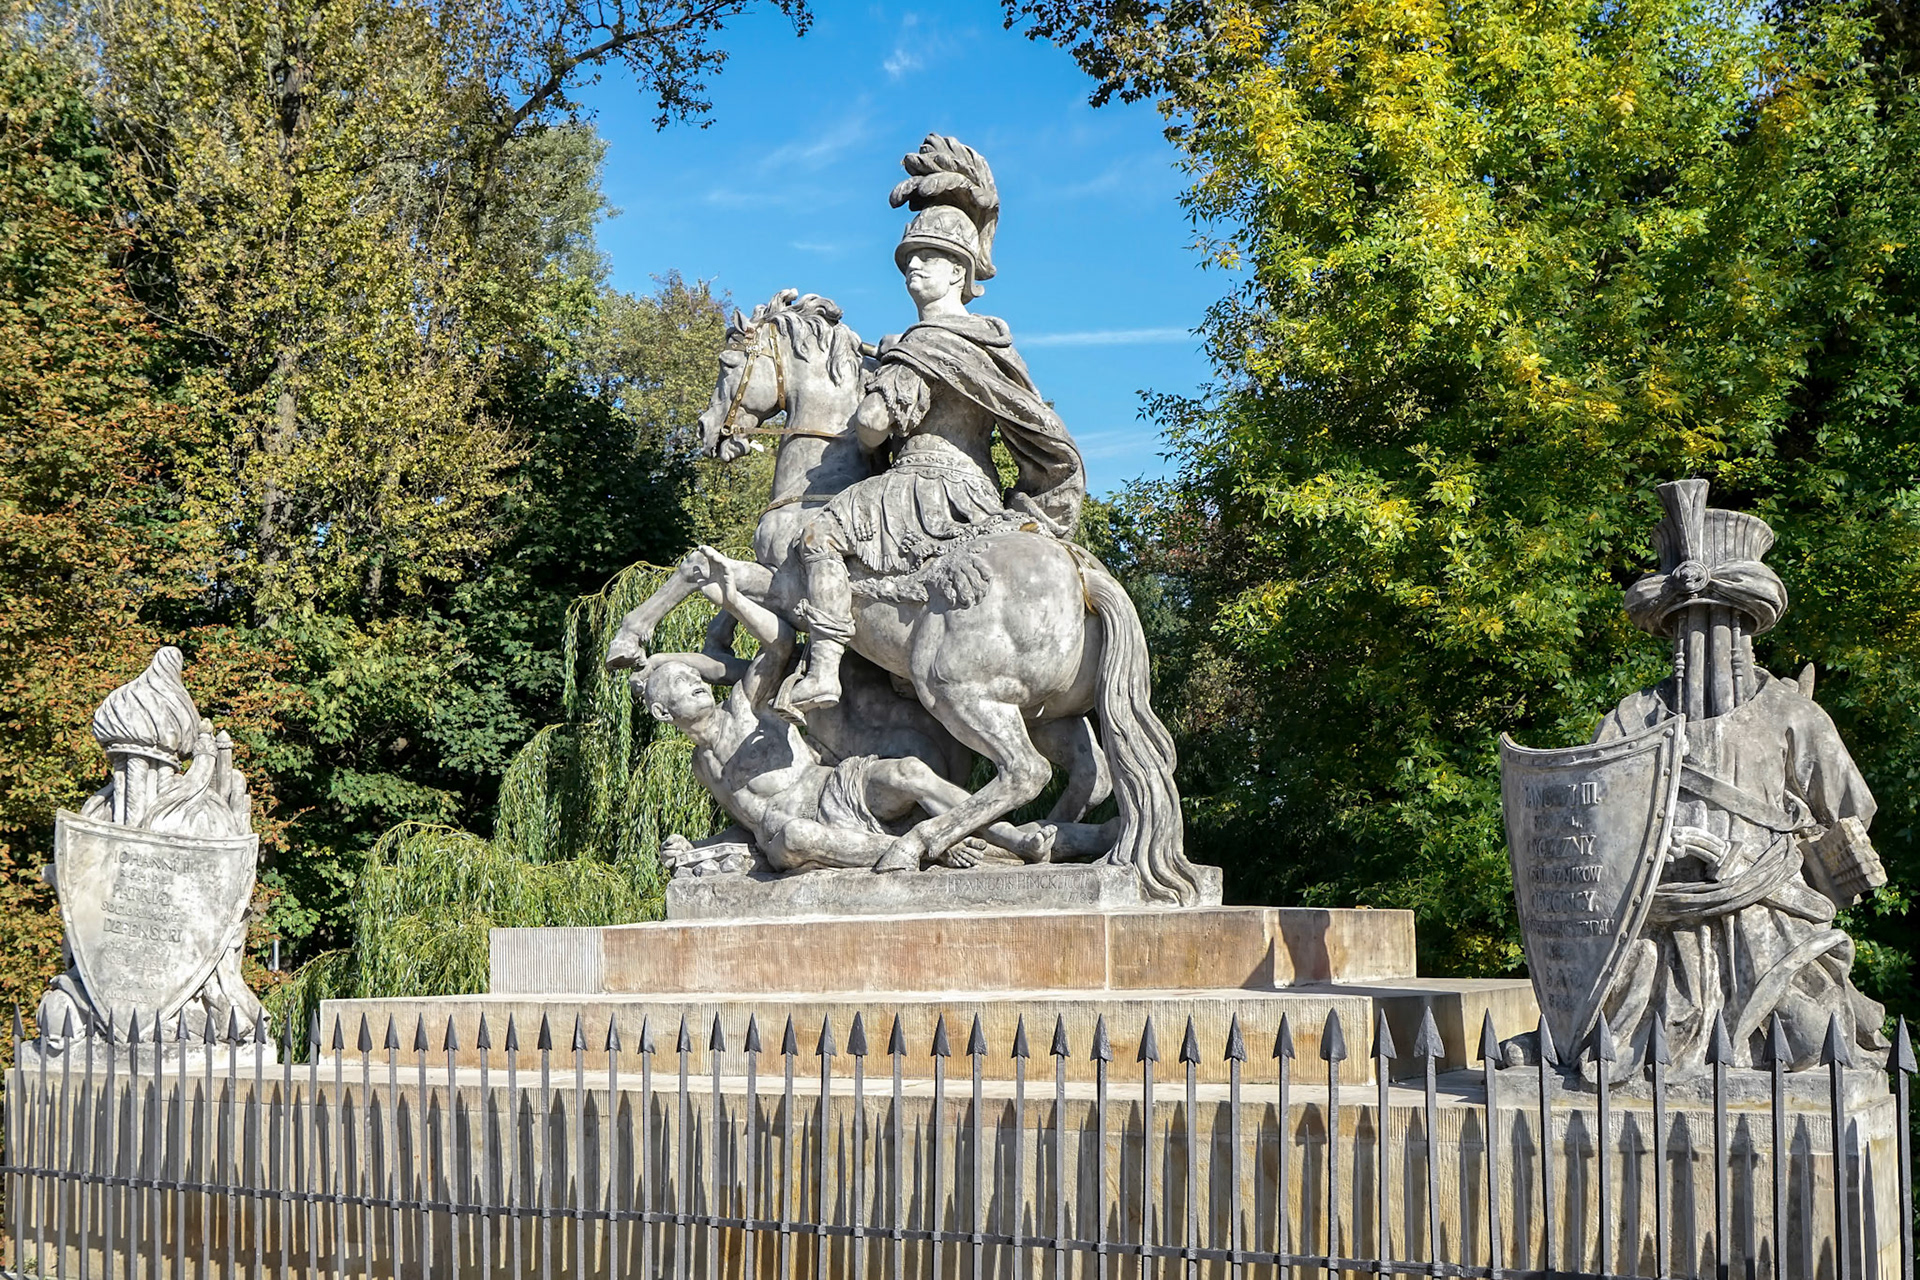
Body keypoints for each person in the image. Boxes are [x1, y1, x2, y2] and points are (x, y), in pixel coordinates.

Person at [1582, 481, 1889, 1070]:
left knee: (1810, 1040)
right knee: (1615, 1019)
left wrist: (1771, 844)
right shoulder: (1631, 716)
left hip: (1768, 907)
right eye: (1688, 624)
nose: (1702, 641)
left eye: (1722, 624)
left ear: (1746, 627)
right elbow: (1591, 826)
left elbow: (1849, 813)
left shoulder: (1793, 714)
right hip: (1659, 920)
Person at [781, 141, 1086, 716]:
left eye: (926, 256)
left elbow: (872, 429)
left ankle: (821, 669)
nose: (913, 267)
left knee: (818, 537)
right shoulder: (994, 343)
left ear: (958, 269)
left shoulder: (926, 344)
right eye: (908, 258)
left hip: (924, 489)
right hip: (980, 495)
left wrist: (875, 393)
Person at [640, 550, 1054, 871]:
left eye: (690, 675)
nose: (694, 681)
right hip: (792, 835)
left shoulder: (743, 706)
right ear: (663, 712)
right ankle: (923, 848)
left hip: (834, 787)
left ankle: (1010, 837)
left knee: (907, 771)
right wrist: (697, 848)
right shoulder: (703, 765)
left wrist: (733, 601)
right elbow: (749, 825)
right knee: (795, 835)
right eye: (678, 682)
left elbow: (779, 644)